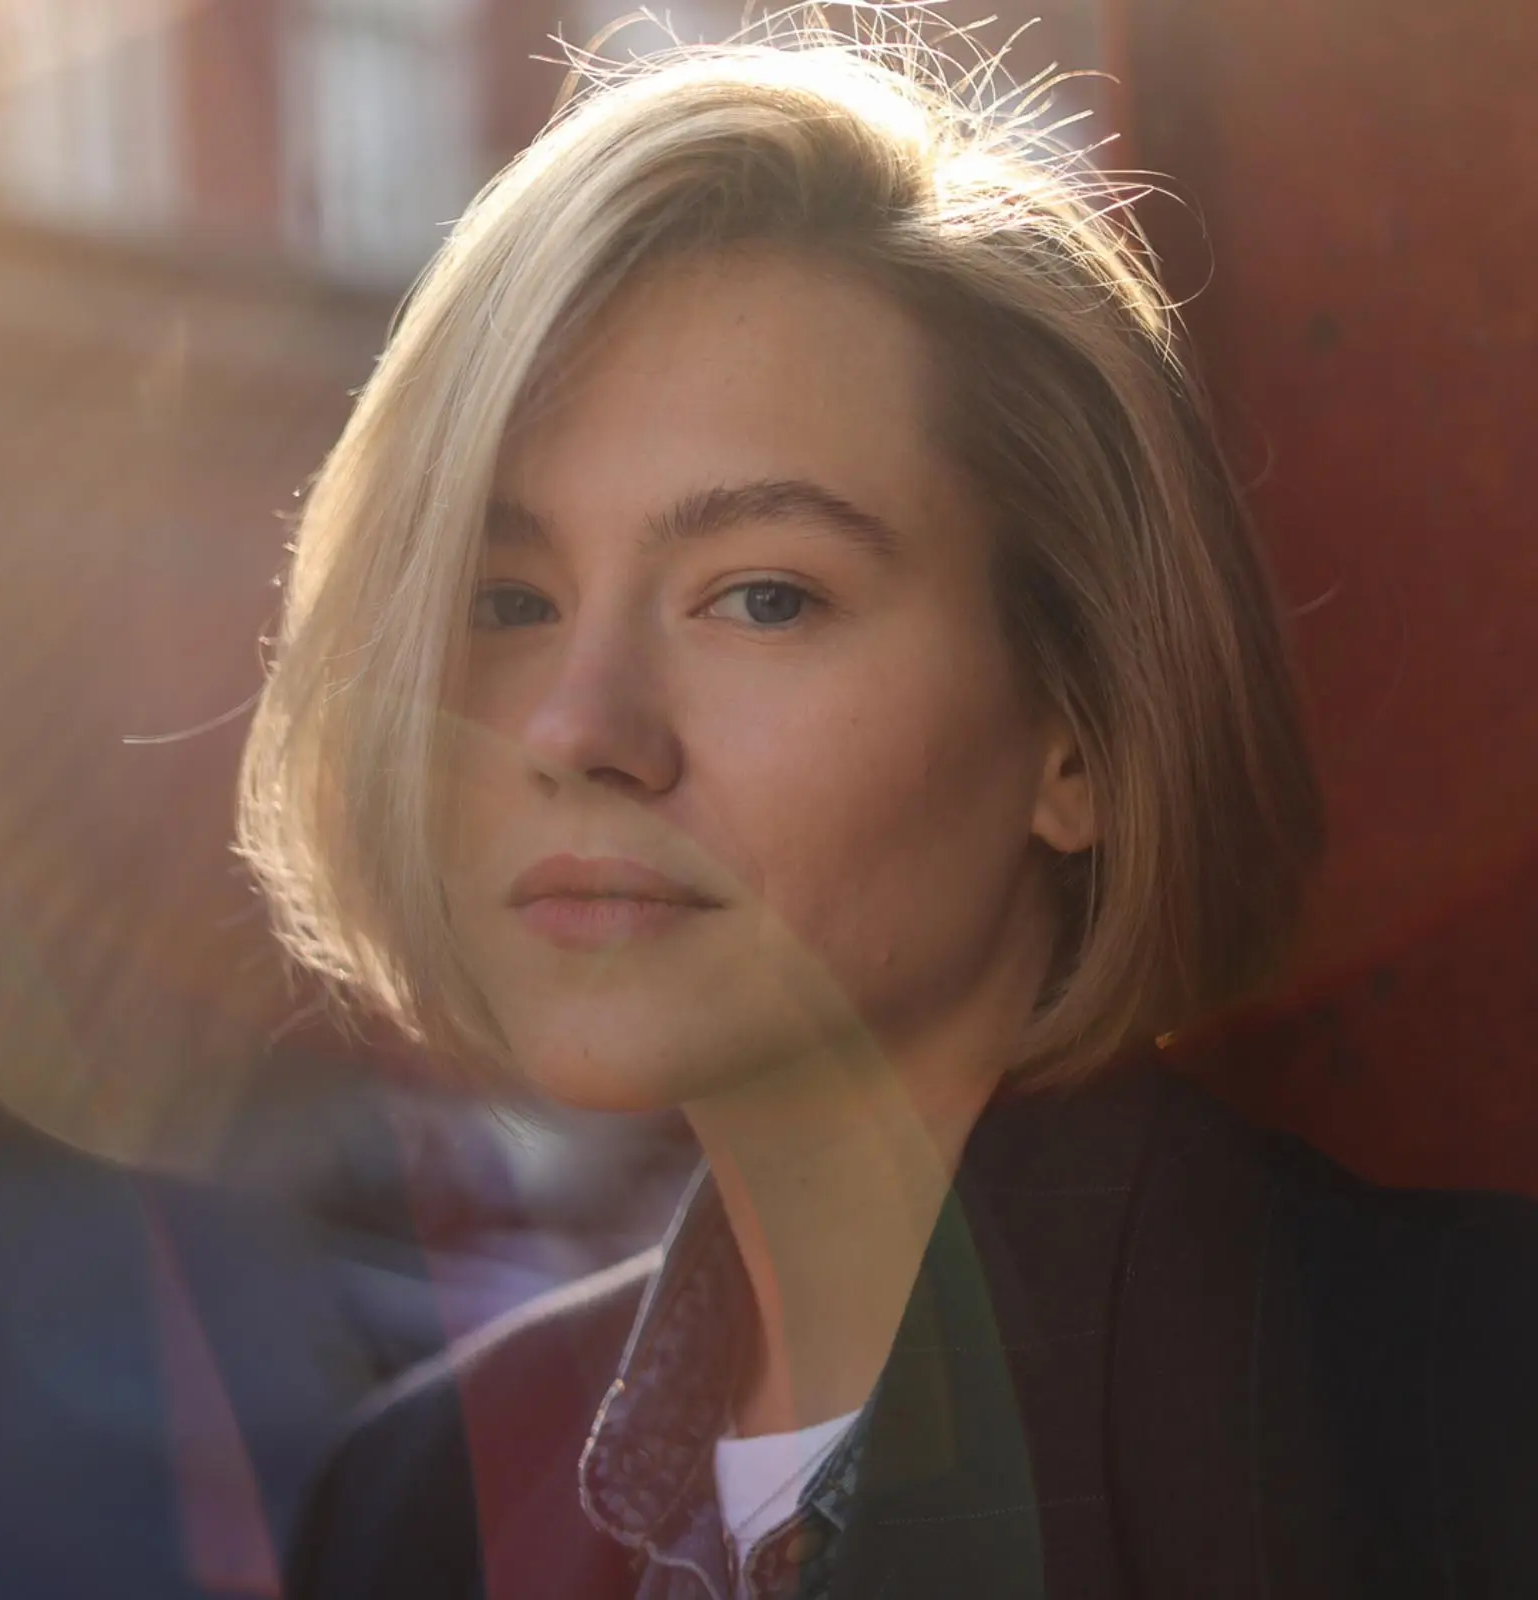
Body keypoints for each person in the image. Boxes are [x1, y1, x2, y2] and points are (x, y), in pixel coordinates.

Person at [234, 33, 1538, 1600]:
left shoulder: (1464, 1426)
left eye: (763, 595)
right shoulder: (409, 1506)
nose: (581, 730)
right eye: (509, 597)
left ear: (1083, 730)